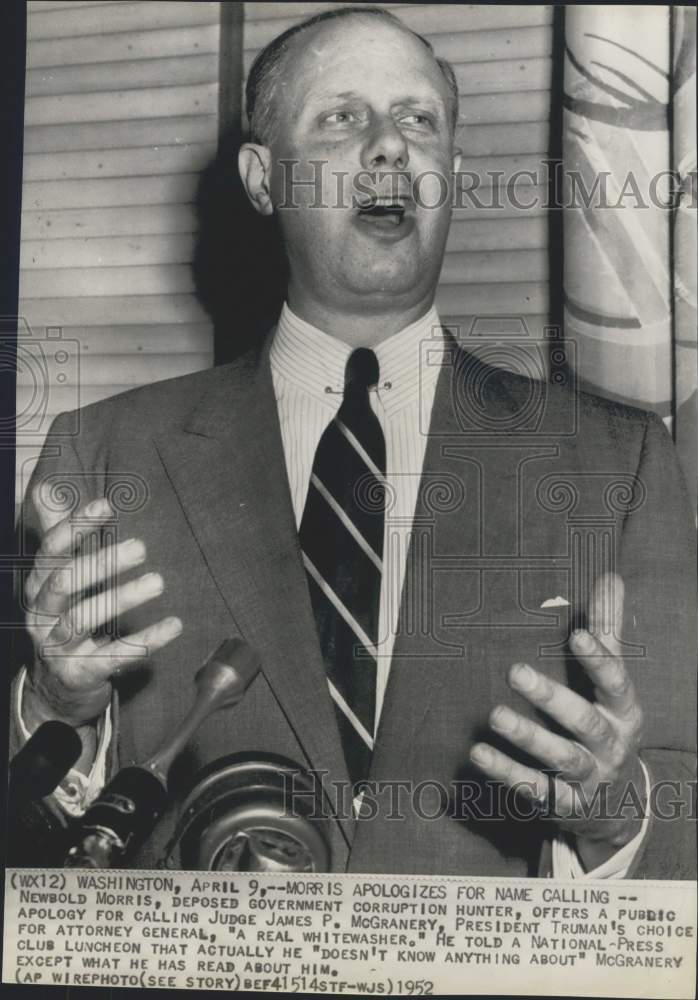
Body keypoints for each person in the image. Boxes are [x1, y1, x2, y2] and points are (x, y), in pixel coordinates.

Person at [11, 6, 696, 875]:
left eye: (419, 120)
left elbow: (682, 810)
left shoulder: (620, 465)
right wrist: (57, 708)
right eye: (341, 117)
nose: (389, 147)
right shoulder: (103, 454)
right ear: (264, 180)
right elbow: (29, 868)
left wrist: (616, 815)